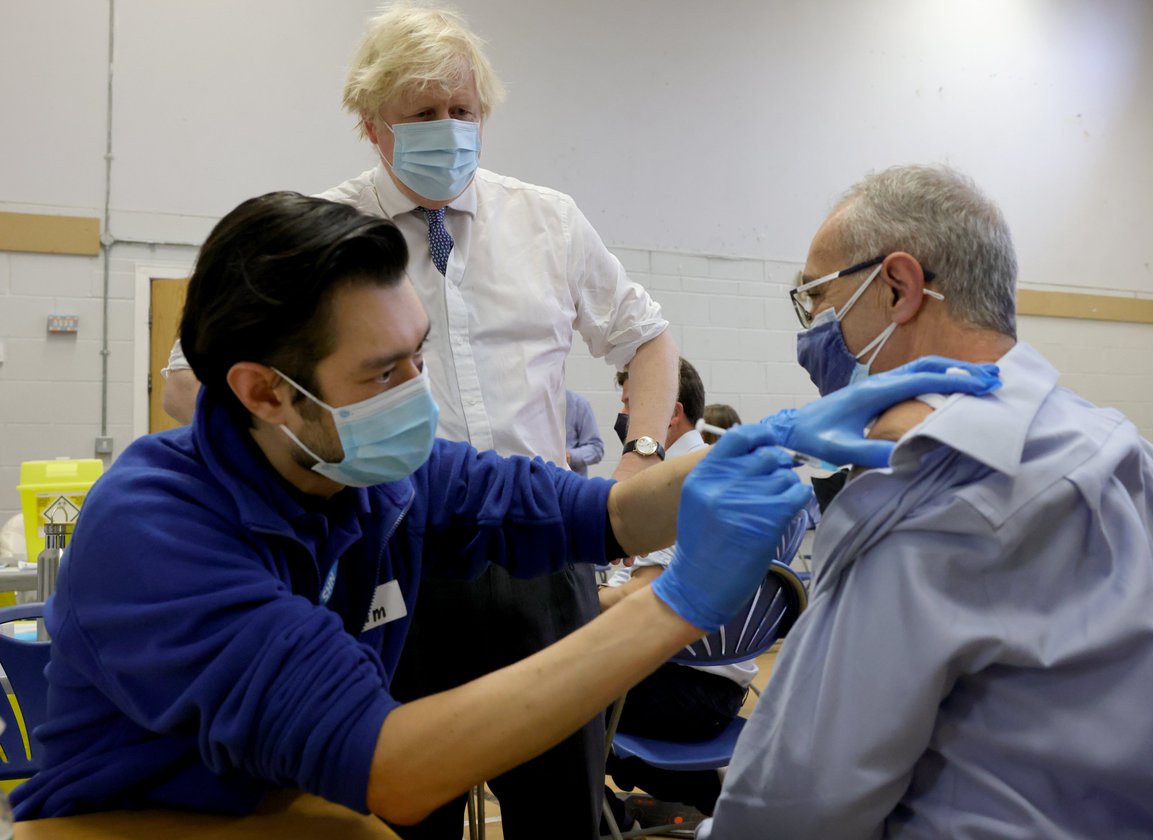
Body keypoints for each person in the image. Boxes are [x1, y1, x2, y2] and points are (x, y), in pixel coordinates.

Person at [13, 192, 996, 828]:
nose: (417, 389)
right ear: (266, 393)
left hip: (280, 797)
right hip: (137, 819)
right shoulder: (157, 531)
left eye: (419, 349)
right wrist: (676, 605)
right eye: (384, 370)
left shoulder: (378, 477)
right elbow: (392, 765)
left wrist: (762, 442)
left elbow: (592, 516)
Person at [161, 6, 680, 835]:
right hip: (391, 556)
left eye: (464, 112)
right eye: (423, 114)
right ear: (372, 127)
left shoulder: (547, 221)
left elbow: (647, 339)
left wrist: (643, 456)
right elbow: (190, 386)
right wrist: (311, 466)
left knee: (565, 811)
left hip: (539, 549)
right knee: (401, 810)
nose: (450, 130)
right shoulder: (321, 238)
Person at [698, 164, 1153, 838]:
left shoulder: (928, 499)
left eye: (814, 297)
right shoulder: (1138, 460)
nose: (810, 329)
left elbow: (793, 808)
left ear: (899, 286)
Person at [600, 359, 747, 828]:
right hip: (718, 685)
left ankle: (608, 820)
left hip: (688, 689)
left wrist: (563, 597)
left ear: (671, 413)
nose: (624, 416)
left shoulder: (680, 481)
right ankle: (706, 791)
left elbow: (635, 601)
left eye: (630, 405)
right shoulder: (708, 468)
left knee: (541, 693)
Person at [566, 389, 605, 477]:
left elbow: (596, 449)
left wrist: (569, 456)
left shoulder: (578, 404)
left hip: (570, 484)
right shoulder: (530, 403)